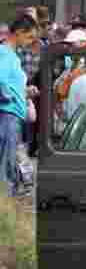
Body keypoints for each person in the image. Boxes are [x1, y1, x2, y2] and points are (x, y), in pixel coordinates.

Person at [1, 15, 38, 193]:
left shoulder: (12, 56)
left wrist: (23, 92)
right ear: (18, 33)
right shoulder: (5, 53)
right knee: (8, 168)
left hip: (12, 117)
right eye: (29, 37)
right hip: (8, 117)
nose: (31, 42)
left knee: (11, 165)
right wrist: (9, 98)